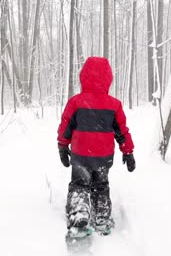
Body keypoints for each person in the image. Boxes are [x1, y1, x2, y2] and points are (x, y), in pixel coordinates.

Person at [57, 57, 136, 236]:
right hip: (103, 156)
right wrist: (128, 151)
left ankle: (79, 215)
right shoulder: (114, 105)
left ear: (83, 76)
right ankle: (102, 219)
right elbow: (122, 130)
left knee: (80, 185)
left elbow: (66, 126)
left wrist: (62, 146)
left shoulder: (76, 102)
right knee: (101, 186)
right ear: (108, 78)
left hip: (81, 154)